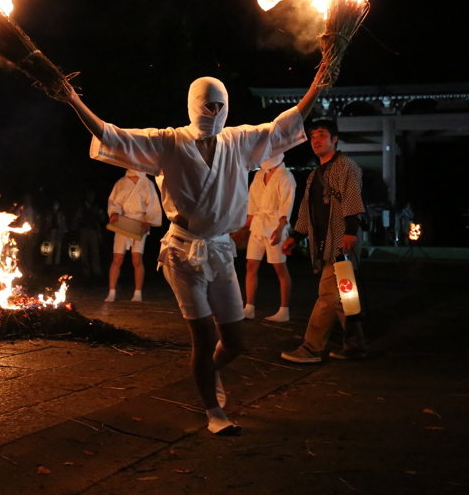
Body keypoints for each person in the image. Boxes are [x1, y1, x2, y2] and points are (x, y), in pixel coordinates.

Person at [62, 74, 322, 436]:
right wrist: (73, 99)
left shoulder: (238, 141)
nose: (214, 112)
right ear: (193, 105)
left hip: (219, 250)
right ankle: (213, 410)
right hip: (182, 253)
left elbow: (285, 124)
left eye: (220, 106)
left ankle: (208, 372)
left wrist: (317, 88)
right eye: (207, 105)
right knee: (203, 337)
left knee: (233, 343)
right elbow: (113, 135)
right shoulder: (167, 142)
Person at [281, 120, 366, 364]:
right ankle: (355, 344)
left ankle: (311, 347)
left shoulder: (347, 167)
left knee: (327, 295)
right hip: (325, 243)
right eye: (312, 136)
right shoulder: (314, 175)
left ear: (334, 139)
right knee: (346, 297)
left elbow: (352, 200)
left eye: (321, 135)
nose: (316, 140)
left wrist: (350, 232)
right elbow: (307, 212)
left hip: (342, 242)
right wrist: (296, 236)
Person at [242, 153, 296, 322]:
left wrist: (281, 229)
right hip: (258, 225)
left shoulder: (286, 176)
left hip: (274, 226)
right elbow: (252, 207)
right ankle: (249, 307)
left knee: (280, 268)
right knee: (251, 265)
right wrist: (239, 227)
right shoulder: (259, 174)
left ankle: (284, 310)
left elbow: (287, 206)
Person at [105, 169, 162, 302]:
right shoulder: (122, 182)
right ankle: (111, 292)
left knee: (137, 259)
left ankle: (137, 293)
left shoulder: (147, 183)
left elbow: (152, 204)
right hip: (123, 221)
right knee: (117, 258)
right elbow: (114, 202)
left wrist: (149, 220)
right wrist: (114, 212)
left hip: (139, 223)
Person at [72, 189, 105, 279]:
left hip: (93, 231)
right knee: (84, 252)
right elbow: (76, 219)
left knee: (95, 252)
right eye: (90, 196)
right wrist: (74, 231)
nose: (92, 198)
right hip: (84, 231)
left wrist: (101, 216)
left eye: (93, 196)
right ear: (87, 197)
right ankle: (86, 272)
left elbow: (103, 217)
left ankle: (96, 272)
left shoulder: (95, 207)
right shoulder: (82, 208)